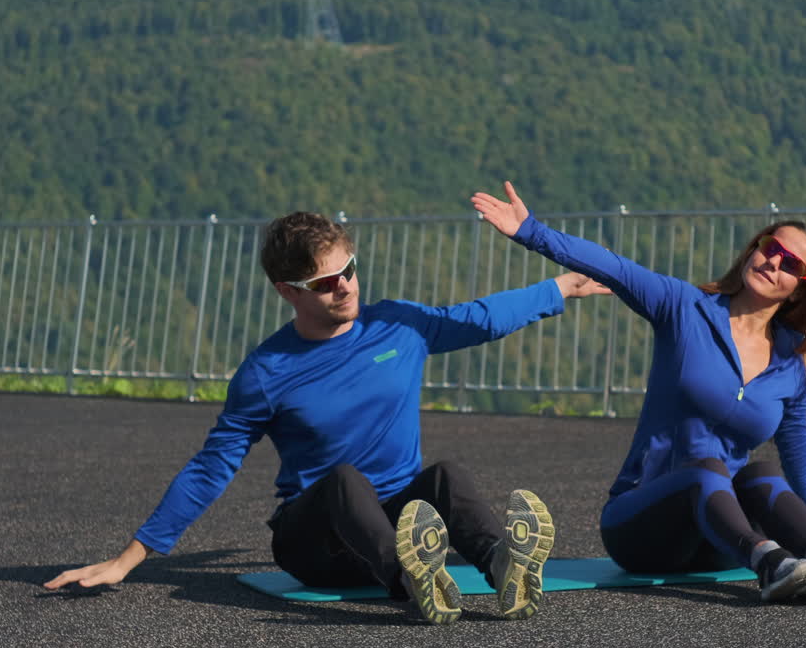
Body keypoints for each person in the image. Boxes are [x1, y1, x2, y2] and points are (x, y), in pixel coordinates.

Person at [44, 211, 609, 625]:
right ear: (287, 291)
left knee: (446, 475)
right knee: (343, 479)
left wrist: (559, 287)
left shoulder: (399, 326)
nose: (346, 286)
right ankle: (414, 581)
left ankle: (501, 566)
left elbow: (479, 318)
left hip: (399, 519)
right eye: (325, 282)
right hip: (318, 542)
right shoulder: (266, 372)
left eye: (350, 270)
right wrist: (128, 559)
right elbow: (211, 468)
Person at [472, 182, 806, 603]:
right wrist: (531, 230)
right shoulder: (683, 308)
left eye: (791, 265)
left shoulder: (791, 365)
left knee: (762, 473)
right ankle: (771, 566)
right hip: (642, 531)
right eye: (770, 247)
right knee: (704, 469)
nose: (773, 263)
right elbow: (614, 268)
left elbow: (799, 459)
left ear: (800, 288)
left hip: (717, 540)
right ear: (753, 248)